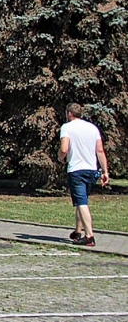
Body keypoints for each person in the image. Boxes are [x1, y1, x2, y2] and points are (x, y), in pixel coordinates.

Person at [58, 102, 110, 247]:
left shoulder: (66, 127)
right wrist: (105, 171)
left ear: (69, 114)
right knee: (82, 201)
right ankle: (77, 231)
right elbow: (100, 151)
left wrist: (61, 158)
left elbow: (64, 148)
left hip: (76, 170)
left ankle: (89, 236)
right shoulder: (92, 128)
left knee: (81, 202)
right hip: (91, 169)